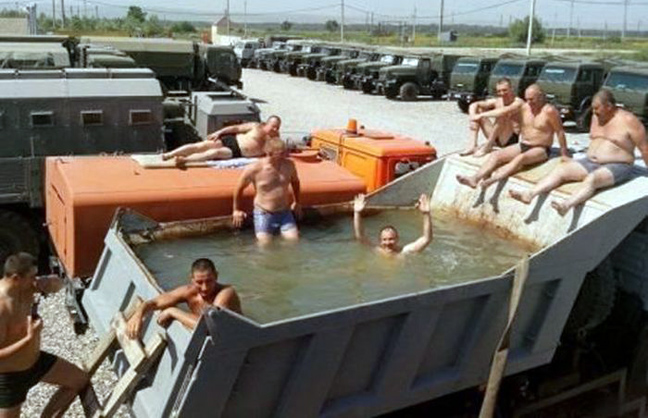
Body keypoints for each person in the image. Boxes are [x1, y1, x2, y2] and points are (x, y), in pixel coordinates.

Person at [509, 89, 648, 216]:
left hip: (618, 165)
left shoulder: (629, 121)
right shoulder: (596, 117)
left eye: (597, 108)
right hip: (590, 161)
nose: (594, 112)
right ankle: (530, 194)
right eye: (593, 108)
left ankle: (566, 205)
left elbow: (644, 148)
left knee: (592, 179)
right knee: (562, 170)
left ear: (609, 106)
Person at [0, 253, 88, 418]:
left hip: (35, 362)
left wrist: (50, 282)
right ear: (16, 278)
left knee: (79, 380)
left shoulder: (26, 288)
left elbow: (60, 284)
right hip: (10, 378)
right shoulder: (2, 307)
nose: (35, 280)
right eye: (32, 277)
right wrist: (29, 338)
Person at [456, 84, 569, 191]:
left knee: (520, 158)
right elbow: (504, 111)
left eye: (532, 99)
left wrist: (564, 154)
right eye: (527, 99)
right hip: (524, 144)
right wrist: (478, 115)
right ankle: (474, 179)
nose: (529, 102)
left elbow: (559, 132)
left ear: (540, 97)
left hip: (541, 148)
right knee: (496, 155)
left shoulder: (549, 111)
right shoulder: (525, 107)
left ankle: (492, 181)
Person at [126, 258, 241, 340]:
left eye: (209, 281)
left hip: (236, 340)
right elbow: (154, 302)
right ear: (192, 279)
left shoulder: (226, 293)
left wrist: (173, 311)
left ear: (216, 276)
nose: (204, 287)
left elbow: (209, 327)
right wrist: (138, 315)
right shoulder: (188, 291)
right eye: (199, 282)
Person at [232, 137, 301, 245]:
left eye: (285, 152)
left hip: (284, 212)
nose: (285, 156)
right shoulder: (254, 169)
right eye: (281, 154)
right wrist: (236, 210)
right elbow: (239, 188)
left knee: (293, 241)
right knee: (264, 244)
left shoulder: (289, 165)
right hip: (264, 213)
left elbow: (295, 182)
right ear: (269, 153)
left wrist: (297, 202)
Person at [161, 115, 282, 166]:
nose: (275, 129)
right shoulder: (256, 126)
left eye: (277, 127)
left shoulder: (275, 138)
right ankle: (169, 154)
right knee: (201, 146)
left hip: (238, 152)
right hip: (232, 140)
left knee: (215, 153)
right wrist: (218, 132)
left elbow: (275, 151)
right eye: (273, 126)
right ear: (267, 123)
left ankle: (185, 160)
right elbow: (235, 128)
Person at [461, 78, 524, 157]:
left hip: (509, 139)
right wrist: (472, 116)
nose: (502, 93)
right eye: (499, 91)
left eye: (505, 90)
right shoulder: (498, 101)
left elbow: (503, 111)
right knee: (478, 109)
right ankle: (473, 144)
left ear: (511, 89)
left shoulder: (518, 102)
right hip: (495, 135)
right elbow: (474, 105)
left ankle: (488, 146)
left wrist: (480, 115)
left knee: (503, 114)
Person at [353, 193, 433, 256]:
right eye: (384, 239)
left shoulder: (403, 252)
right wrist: (357, 213)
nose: (388, 243)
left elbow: (426, 239)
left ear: (397, 239)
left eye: (391, 239)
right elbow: (360, 236)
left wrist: (426, 214)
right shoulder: (377, 250)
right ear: (380, 241)